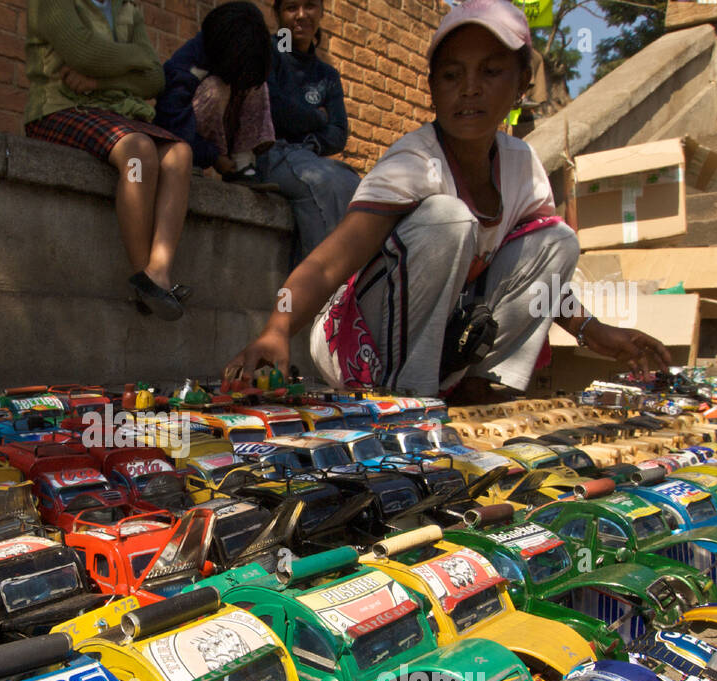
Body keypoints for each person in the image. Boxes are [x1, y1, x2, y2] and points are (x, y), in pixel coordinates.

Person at [223, 0, 671, 402]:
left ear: (521, 84)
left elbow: (536, 274)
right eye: (453, 75)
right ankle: (406, 401)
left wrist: (593, 331)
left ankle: (481, 385)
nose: (469, 88)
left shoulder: (522, 165)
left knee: (556, 240)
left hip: (442, 338)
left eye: (491, 72)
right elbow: (327, 263)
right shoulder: (415, 161)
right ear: (433, 89)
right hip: (359, 345)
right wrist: (277, 329)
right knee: (448, 219)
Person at [24, 0, 194, 321]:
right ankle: (142, 276)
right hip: (60, 108)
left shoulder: (126, 7)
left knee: (179, 154)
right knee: (140, 151)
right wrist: (139, 58)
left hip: (116, 113)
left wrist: (100, 82)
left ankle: (157, 273)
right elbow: (85, 54)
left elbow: (154, 80)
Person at [257, 0, 363, 266]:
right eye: (291, 7)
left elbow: (338, 133)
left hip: (307, 155)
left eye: (310, 6)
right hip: (268, 155)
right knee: (325, 183)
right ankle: (317, 293)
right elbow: (274, 110)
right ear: (277, 14)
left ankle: (329, 293)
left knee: (355, 186)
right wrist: (318, 117)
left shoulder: (326, 74)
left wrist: (310, 136)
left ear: (322, 12)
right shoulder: (269, 53)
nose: (301, 16)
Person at [155, 2, 276, 182]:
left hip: (225, 139)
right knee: (215, 88)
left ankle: (243, 164)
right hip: (185, 141)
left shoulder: (245, 61)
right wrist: (211, 156)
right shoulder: (186, 66)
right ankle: (194, 160)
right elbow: (170, 120)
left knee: (257, 87)